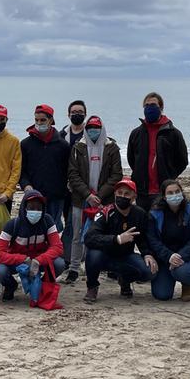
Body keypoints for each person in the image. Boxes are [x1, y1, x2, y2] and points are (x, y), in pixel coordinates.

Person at [67, 116, 125, 284]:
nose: (93, 130)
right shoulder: (78, 147)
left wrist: (99, 195)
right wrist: (87, 195)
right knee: (77, 234)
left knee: (106, 234)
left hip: (104, 201)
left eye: (96, 127)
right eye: (90, 127)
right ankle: (74, 268)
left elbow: (116, 175)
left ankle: (109, 267)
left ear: (102, 128)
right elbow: (73, 174)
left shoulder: (111, 147)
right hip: (81, 199)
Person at [82, 178, 157, 303]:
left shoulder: (140, 214)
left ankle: (125, 280)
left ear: (134, 197)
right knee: (93, 255)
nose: (122, 196)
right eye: (119, 193)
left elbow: (142, 238)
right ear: (115, 194)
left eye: (127, 193)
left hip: (125, 255)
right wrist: (117, 239)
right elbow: (89, 237)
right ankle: (92, 286)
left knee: (149, 271)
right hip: (103, 255)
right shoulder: (105, 212)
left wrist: (147, 253)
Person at [0, 189, 65, 301]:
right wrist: (22, 259)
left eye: (39, 208)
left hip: (39, 261)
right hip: (17, 263)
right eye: (31, 207)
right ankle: (10, 285)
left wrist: (38, 260)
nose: (35, 211)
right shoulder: (12, 225)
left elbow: (58, 247)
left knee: (59, 263)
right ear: (24, 208)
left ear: (43, 209)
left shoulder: (47, 221)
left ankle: (43, 285)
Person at [126, 92, 189, 211]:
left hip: (164, 191)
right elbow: (131, 159)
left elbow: (182, 160)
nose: (149, 108)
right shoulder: (136, 133)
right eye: (147, 105)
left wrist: (170, 176)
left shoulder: (173, 133)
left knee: (162, 225)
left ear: (161, 107)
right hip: (142, 191)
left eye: (153, 105)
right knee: (143, 225)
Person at [146, 179, 190, 301]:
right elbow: (153, 240)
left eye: (177, 191)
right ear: (163, 196)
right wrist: (169, 256)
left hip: (188, 257)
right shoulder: (155, 214)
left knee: (183, 272)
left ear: (182, 192)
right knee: (162, 295)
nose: (175, 195)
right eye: (170, 193)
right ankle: (168, 277)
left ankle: (187, 284)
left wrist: (180, 255)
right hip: (165, 258)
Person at [20, 104, 71, 233]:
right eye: (36, 120)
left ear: (51, 120)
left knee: (53, 230)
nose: (39, 123)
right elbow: (21, 170)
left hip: (56, 197)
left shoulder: (63, 145)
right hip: (33, 197)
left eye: (42, 120)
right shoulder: (26, 144)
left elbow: (68, 171)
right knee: (32, 231)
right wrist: (26, 185)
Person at [59, 100, 87, 272]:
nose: (77, 114)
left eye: (80, 111)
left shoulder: (91, 134)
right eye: (74, 111)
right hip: (64, 188)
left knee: (78, 223)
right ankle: (68, 257)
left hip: (83, 188)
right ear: (68, 114)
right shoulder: (62, 135)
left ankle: (72, 258)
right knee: (68, 221)